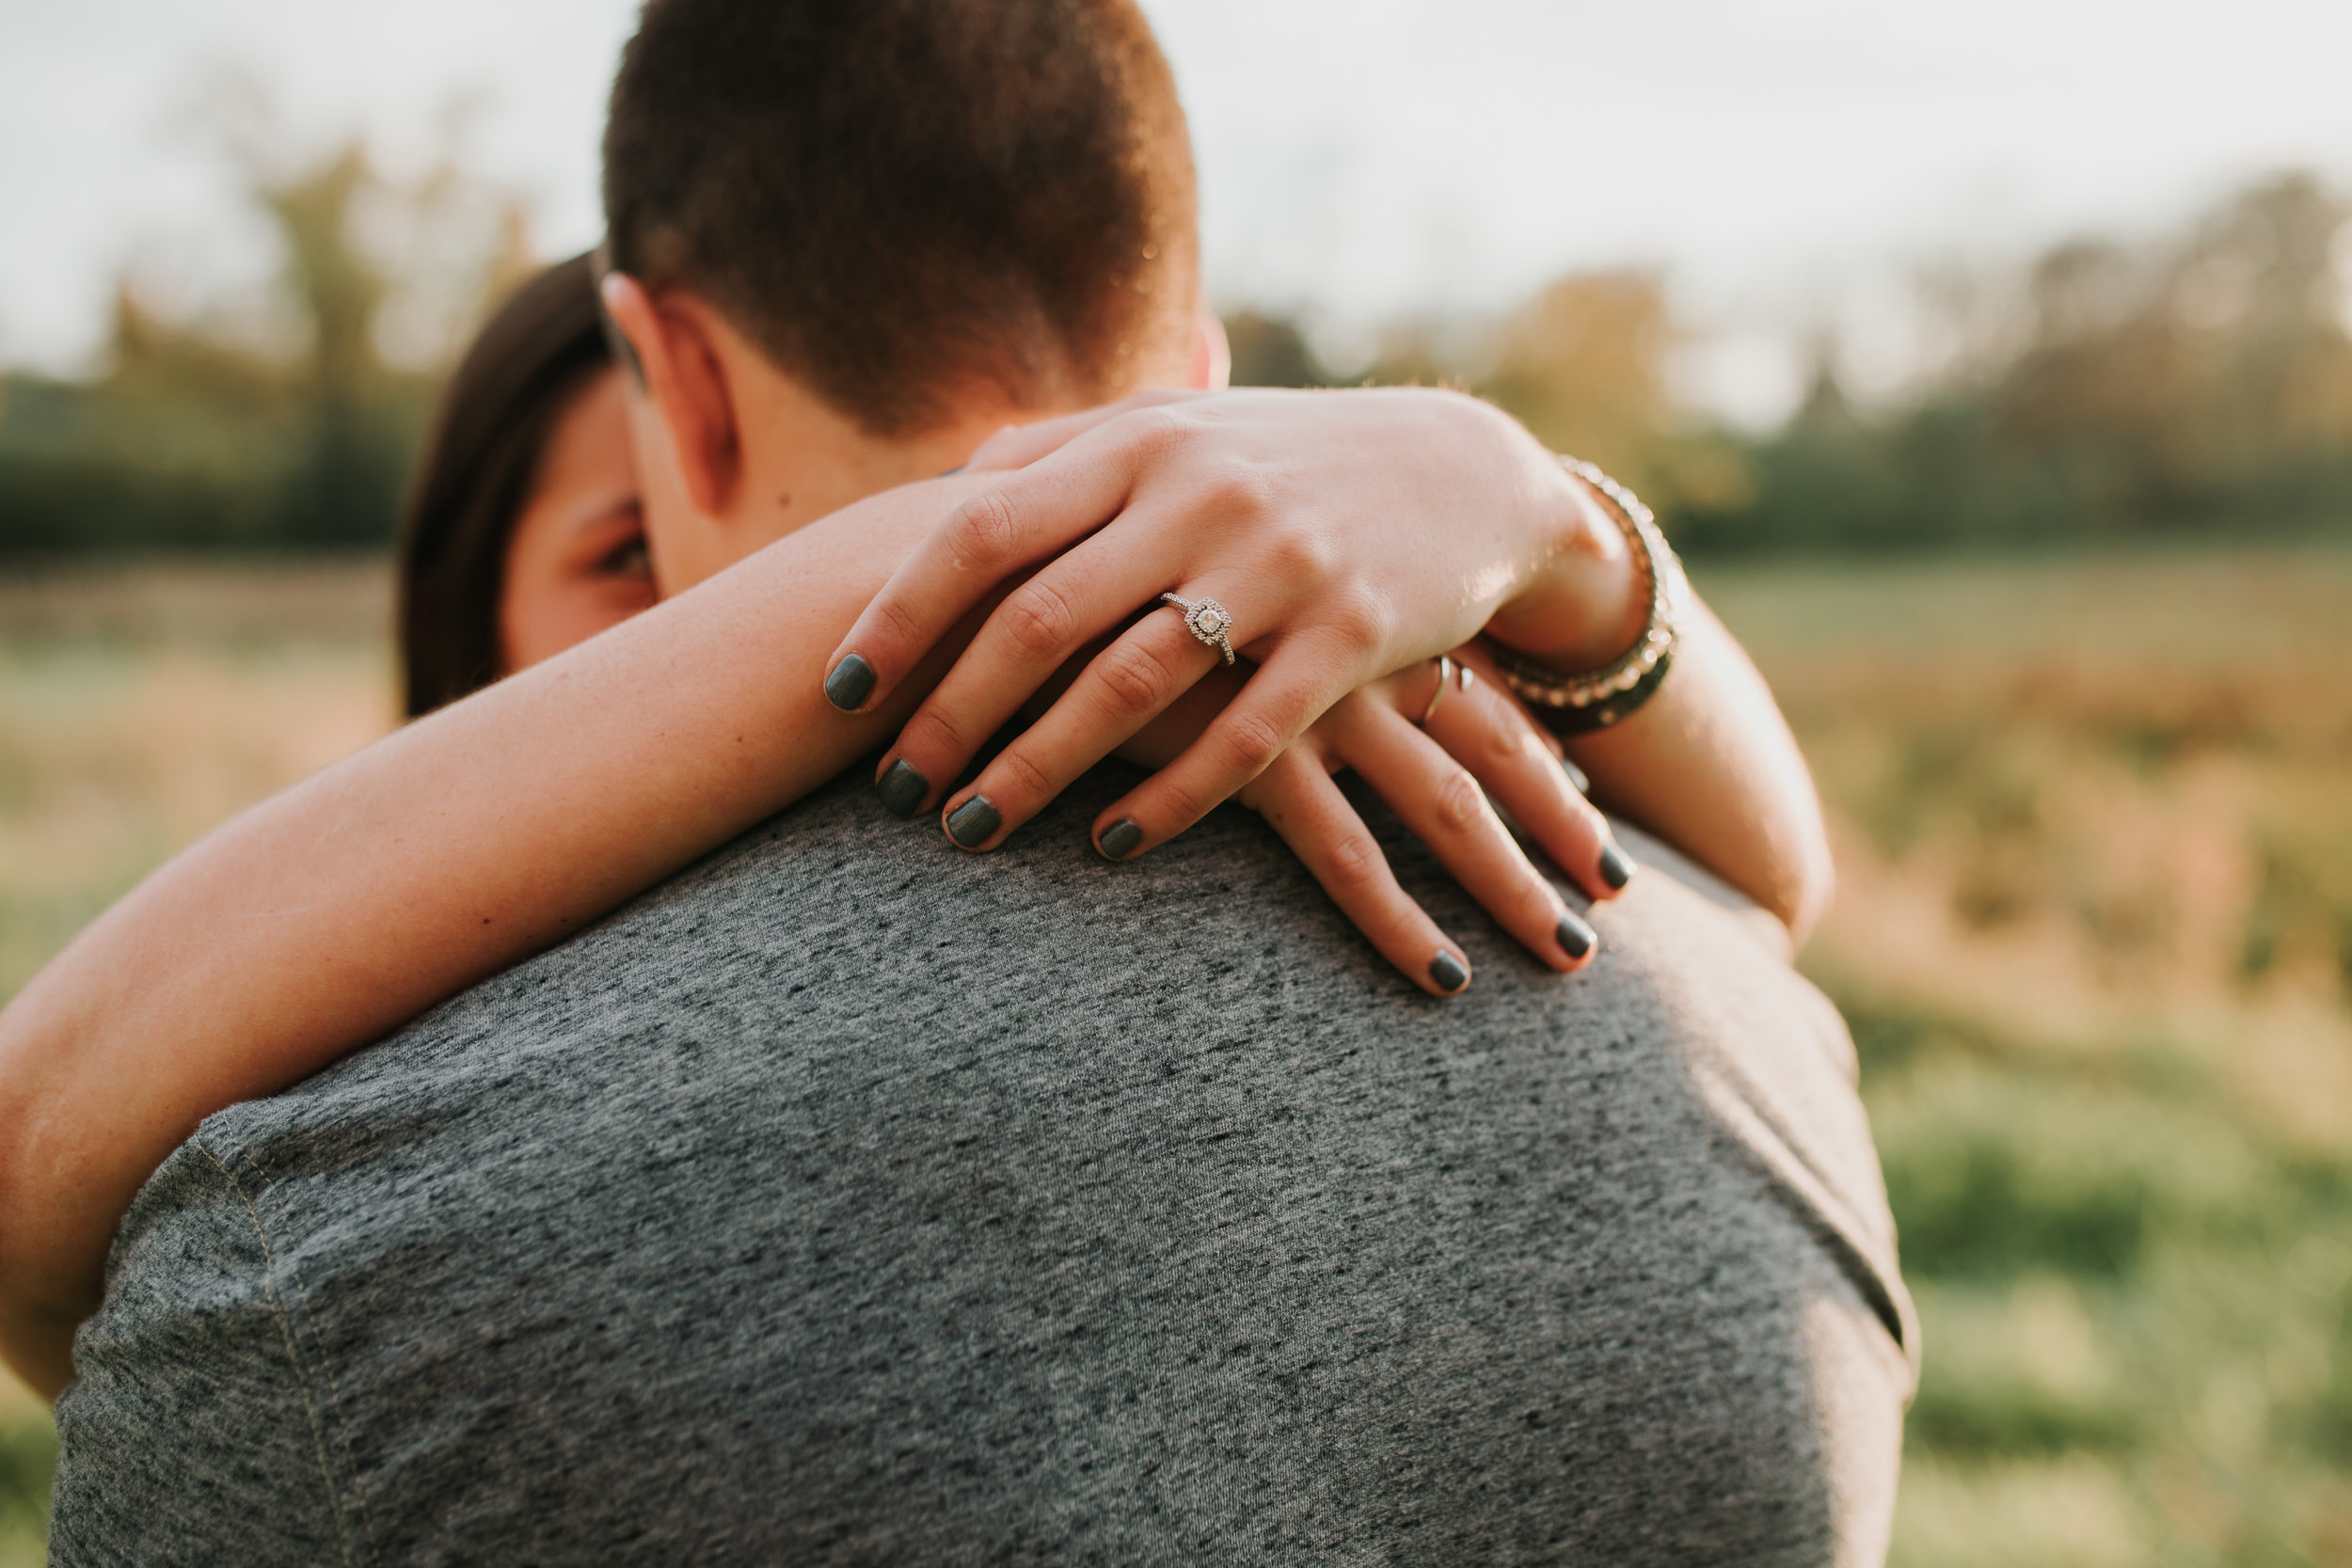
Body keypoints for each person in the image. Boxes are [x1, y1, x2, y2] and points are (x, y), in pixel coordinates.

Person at [20, 0, 1914, 1560]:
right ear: (1202, 371)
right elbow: (1779, 882)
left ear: (672, 375)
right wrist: (1526, 500)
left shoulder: (334, 1251)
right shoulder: (1740, 1027)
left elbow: (37, 1168)